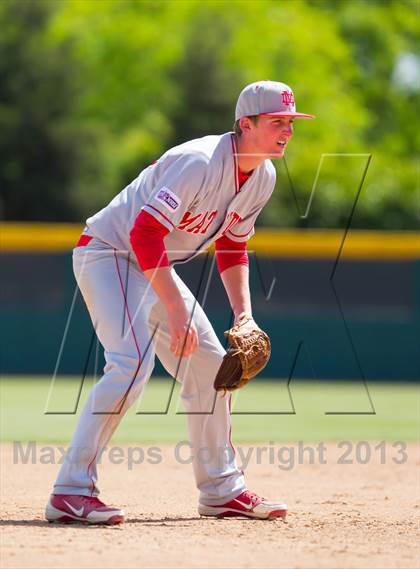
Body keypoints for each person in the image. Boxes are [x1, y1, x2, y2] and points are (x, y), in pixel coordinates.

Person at [45, 80, 314, 524]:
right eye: (276, 122)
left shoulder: (262, 176)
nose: (286, 130)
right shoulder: (199, 161)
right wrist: (173, 307)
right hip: (109, 252)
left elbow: (232, 245)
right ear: (245, 125)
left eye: (290, 122)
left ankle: (222, 491)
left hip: (153, 265)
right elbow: (143, 234)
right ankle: (70, 491)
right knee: (131, 364)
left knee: (211, 366)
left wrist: (244, 315)